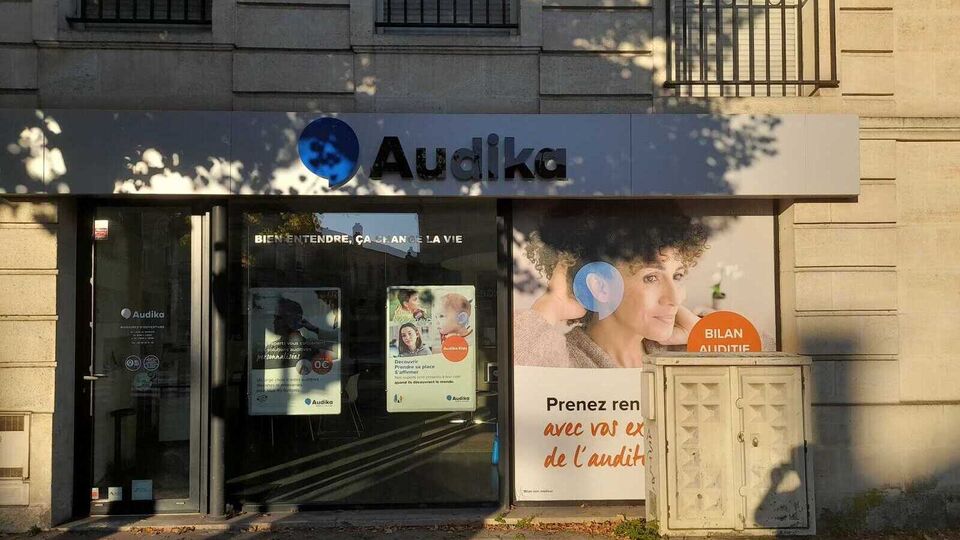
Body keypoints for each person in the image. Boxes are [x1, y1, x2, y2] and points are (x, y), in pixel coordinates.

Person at [515, 202, 708, 368]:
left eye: (677, 275)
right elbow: (508, 377)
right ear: (600, 286)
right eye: (651, 278)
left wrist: (703, 341)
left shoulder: (681, 356)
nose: (675, 299)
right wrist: (552, 303)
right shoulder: (560, 362)